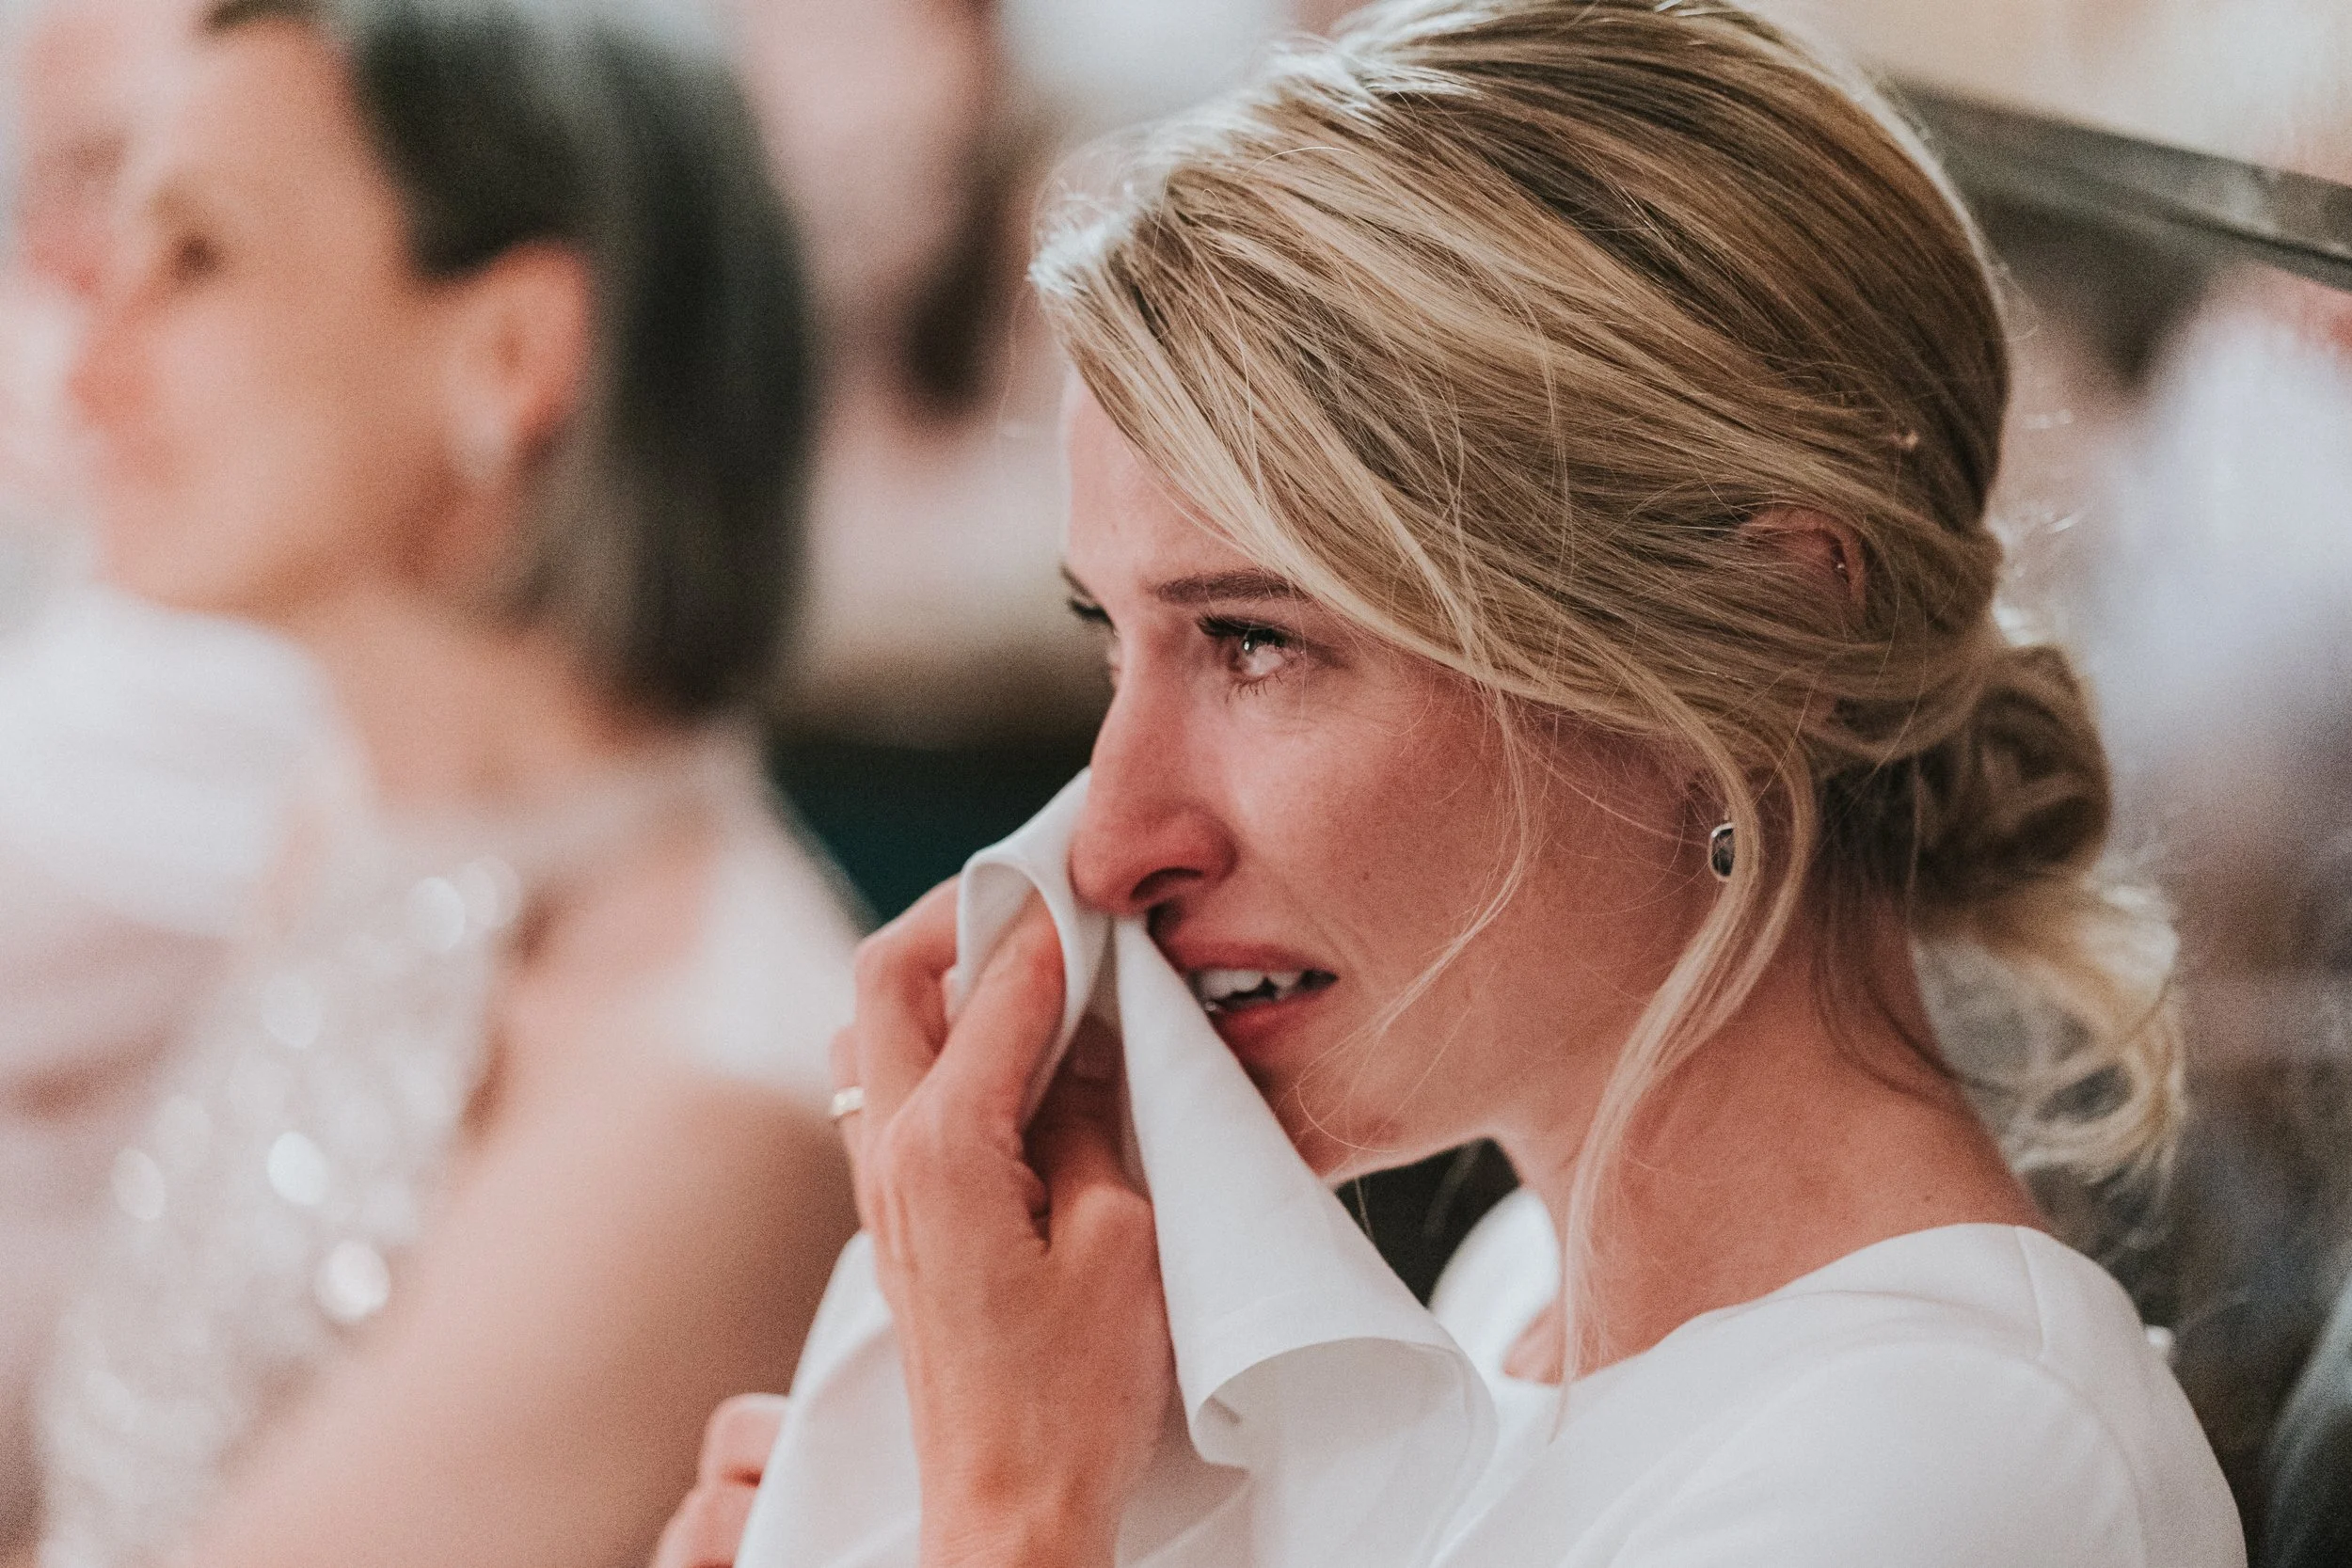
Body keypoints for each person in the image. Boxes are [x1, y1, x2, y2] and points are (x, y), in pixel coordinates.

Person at [664, 2, 2241, 1564]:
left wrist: (1011, 1514)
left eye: (1256, 641)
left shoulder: (1954, 1477)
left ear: (1771, 635)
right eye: (1114, 644)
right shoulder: (1520, 1303)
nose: (1109, 841)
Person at [23, 1, 859, 1564]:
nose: (94, 356)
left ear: (512, 349)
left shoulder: (706, 1093)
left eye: (196, 255)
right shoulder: (350, 822)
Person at [0, 0, 321, 1551]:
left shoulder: (258, 644)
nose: (87, 274)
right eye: (60, 188)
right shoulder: (135, 574)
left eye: (184, 233)